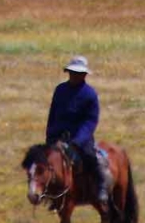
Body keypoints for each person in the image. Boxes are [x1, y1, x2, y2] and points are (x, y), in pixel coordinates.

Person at [44, 56, 111, 203]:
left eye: (78, 73)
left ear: (84, 75)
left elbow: (90, 121)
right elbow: (53, 114)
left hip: (80, 138)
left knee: (91, 158)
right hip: (58, 136)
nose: (75, 76)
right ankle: (49, 192)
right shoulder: (60, 90)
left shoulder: (90, 94)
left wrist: (77, 141)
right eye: (72, 73)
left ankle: (101, 188)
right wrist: (50, 137)